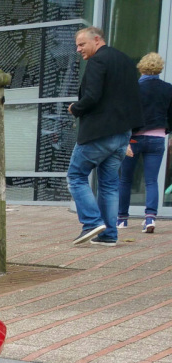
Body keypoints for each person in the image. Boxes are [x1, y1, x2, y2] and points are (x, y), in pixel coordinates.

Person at [68, 27, 144, 247]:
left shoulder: (97, 61)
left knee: (76, 175)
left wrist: (76, 108)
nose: (78, 49)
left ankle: (92, 223)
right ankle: (109, 235)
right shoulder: (126, 62)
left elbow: (92, 97)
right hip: (123, 134)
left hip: (100, 132)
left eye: (82, 44)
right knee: (109, 184)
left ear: (97, 40)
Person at [117, 52, 172, 234]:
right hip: (157, 139)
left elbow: (125, 115)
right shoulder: (168, 88)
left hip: (133, 138)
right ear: (159, 68)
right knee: (151, 181)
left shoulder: (132, 88)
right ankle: (149, 218)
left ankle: (122, 219)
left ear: (141, 67)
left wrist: (124, 139)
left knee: (125, 179)